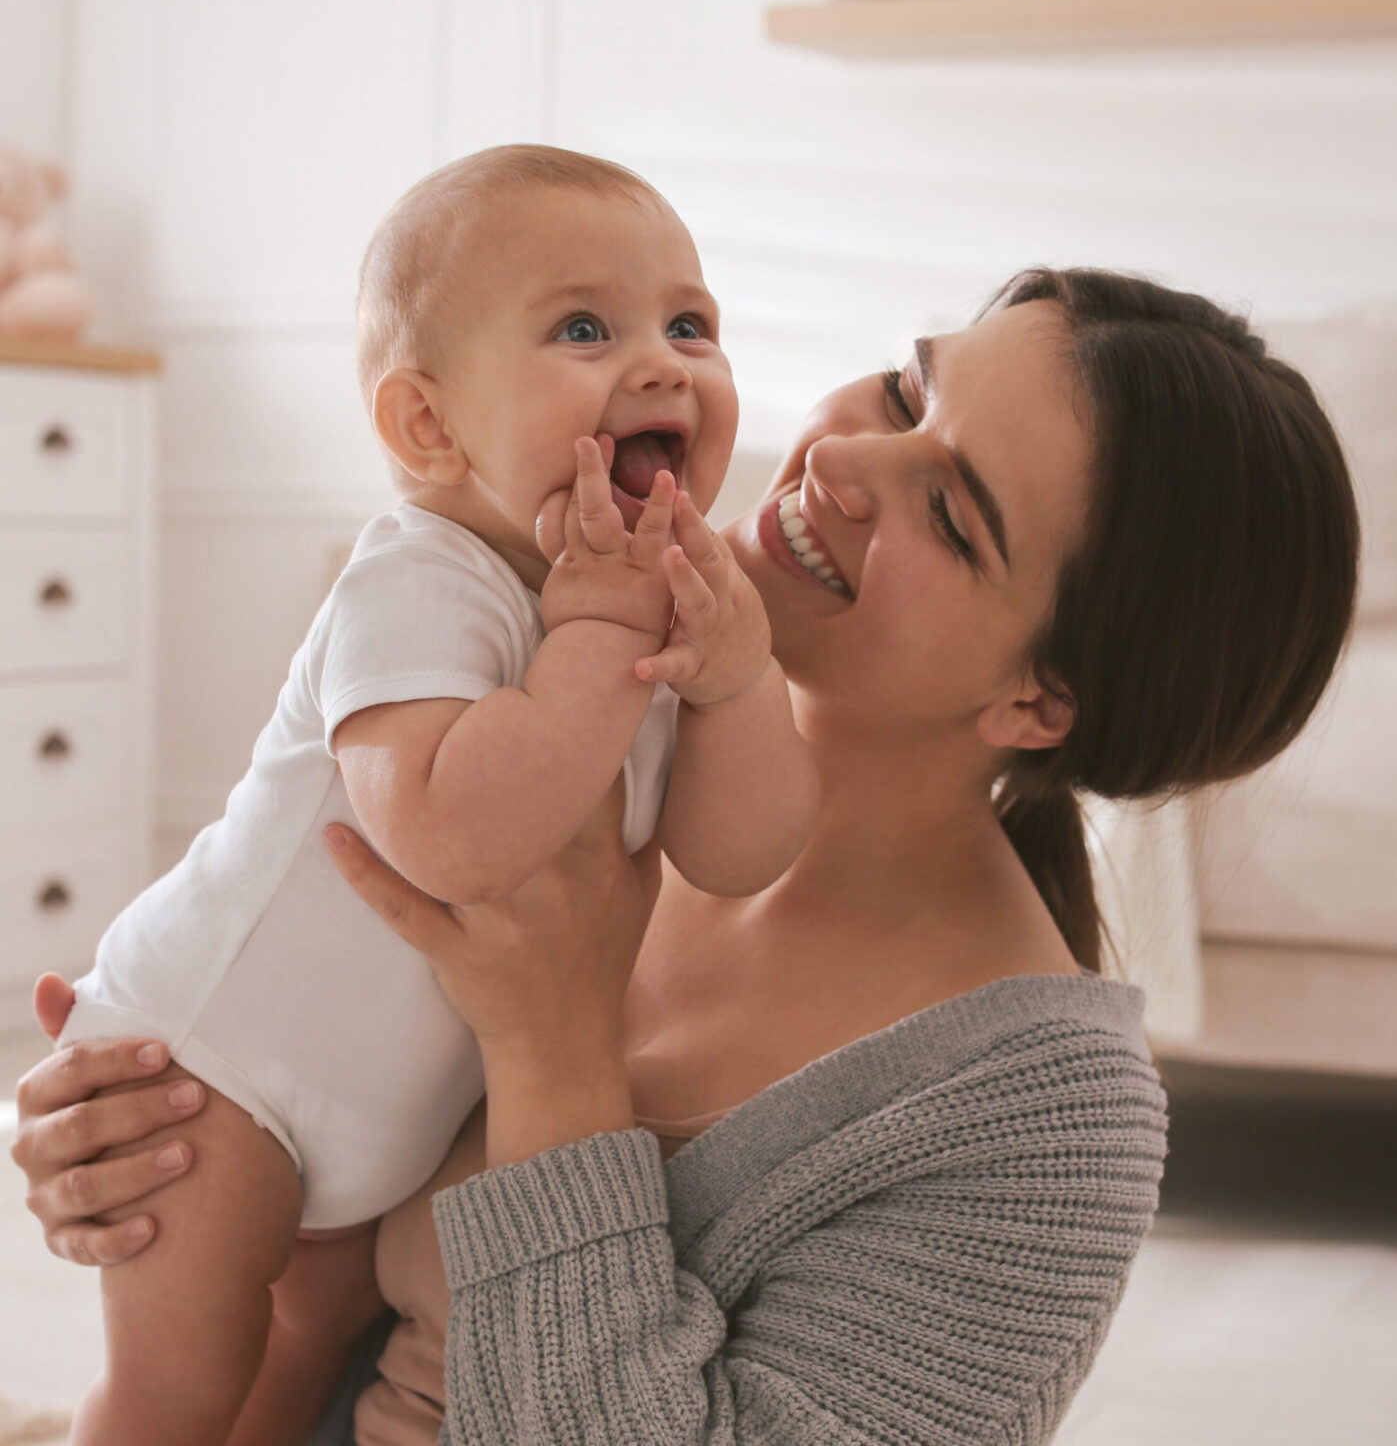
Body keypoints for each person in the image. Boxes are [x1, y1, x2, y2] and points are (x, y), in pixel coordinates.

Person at [13, 268, 1360, 1446]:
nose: (842, 462)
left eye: (951, 514)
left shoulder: (1040, 1131)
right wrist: (154, 1136)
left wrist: (552, 1056)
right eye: (903, 391)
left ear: (1036, 704)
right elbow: (312, 1201)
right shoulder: (566, 726)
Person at [36, 145, 819, 1446]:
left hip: (368, 1128)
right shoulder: (420, 579)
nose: (664, 359)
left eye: (691, 323)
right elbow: (449, 837)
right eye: (585, 326)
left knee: (296, 1365)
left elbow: (740, 853)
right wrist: (593, 640)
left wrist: (734, 684)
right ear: (427, 427)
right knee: (179, 1392)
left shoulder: (644, 595)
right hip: (213, 1070)